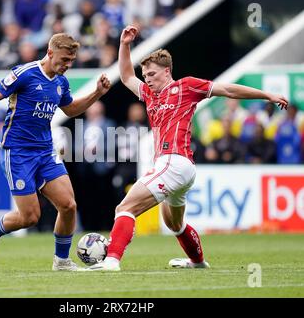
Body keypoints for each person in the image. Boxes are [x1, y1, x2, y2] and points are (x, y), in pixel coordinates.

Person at [88, 25, 288, 271]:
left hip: (174, 161)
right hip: (179, 168)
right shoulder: (150, 96)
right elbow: (128, 76)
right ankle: (198, 262)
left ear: (167, 71)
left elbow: (226, 89)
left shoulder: (186, 86)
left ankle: (111, 261)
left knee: (125, 207)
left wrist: (266, 95)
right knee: (174, 224)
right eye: (146, 75)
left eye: (151, 74)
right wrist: (125, 44)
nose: (147, 79)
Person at [0, 33, 111, 271]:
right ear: (50, 53)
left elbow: (70, 109)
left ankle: (62, 261)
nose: (67, 65)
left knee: (68, 205)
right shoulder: (25, 74)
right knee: (30, 217)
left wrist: (96, 93)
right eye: (64, 59)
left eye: (71, 60)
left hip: (45, 151)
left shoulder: (61, 82)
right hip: (18, 152)